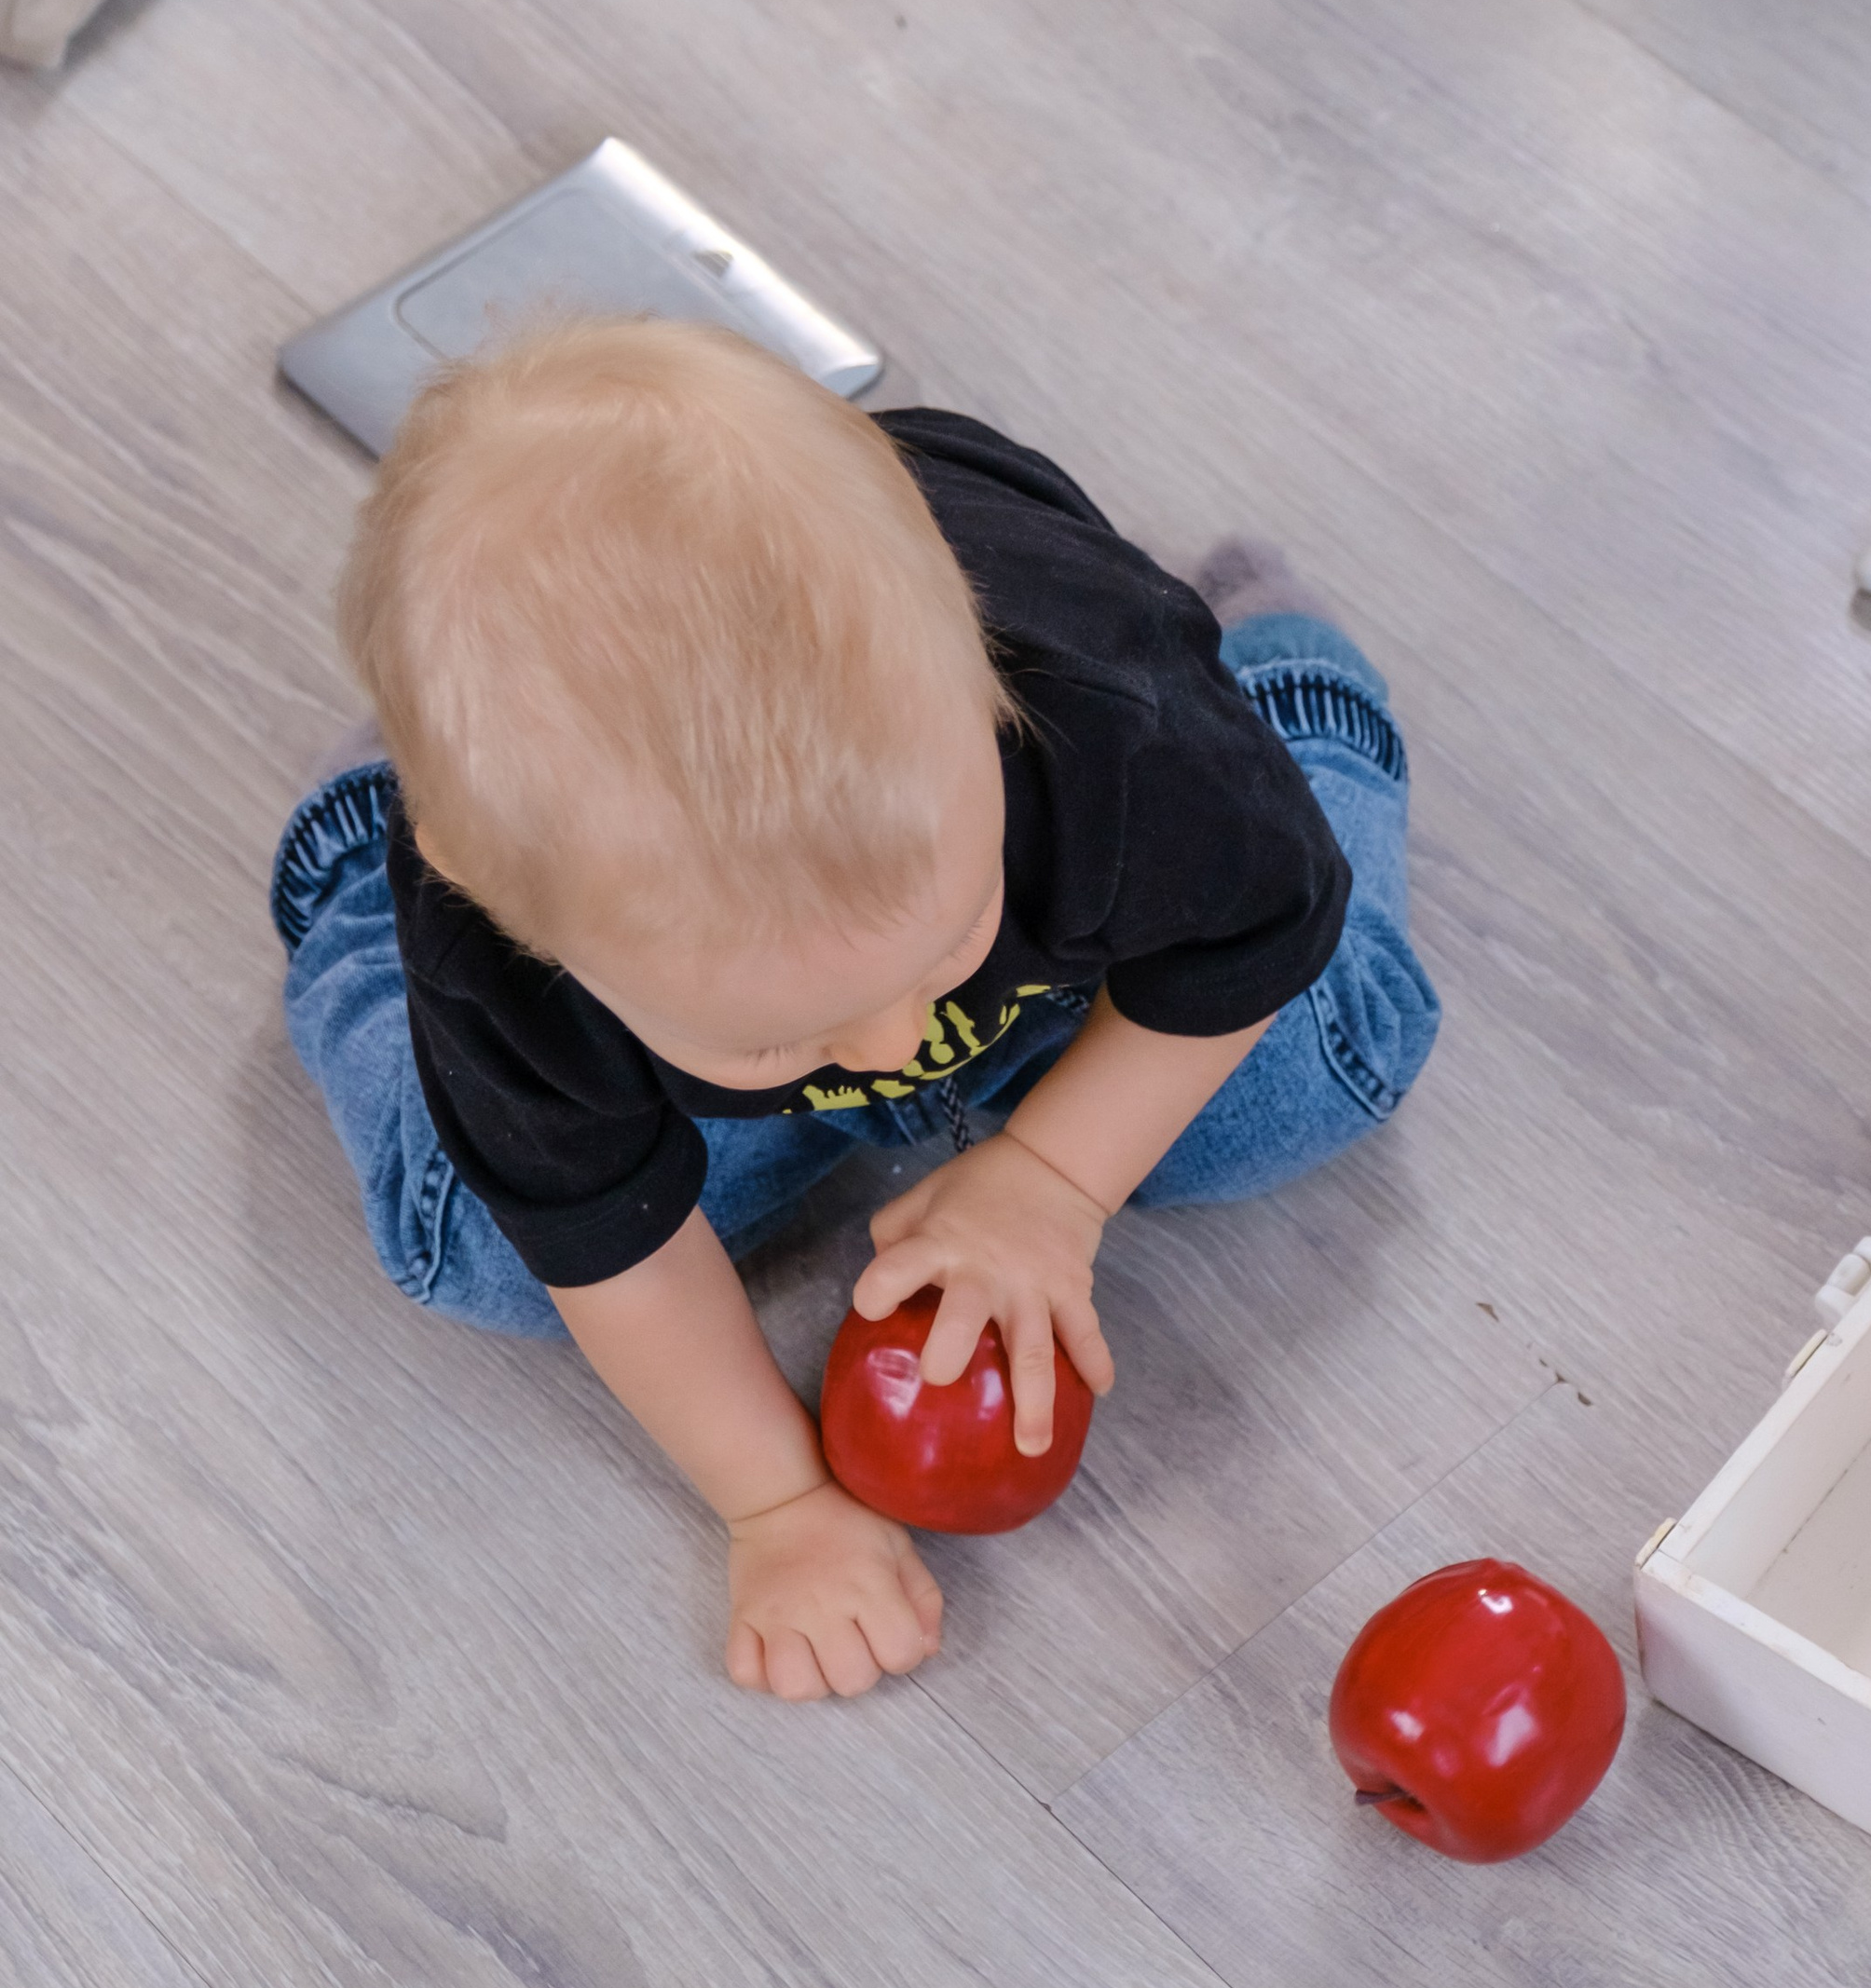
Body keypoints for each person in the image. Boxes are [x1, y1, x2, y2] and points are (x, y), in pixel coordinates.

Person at [274, 317, 1438, 1702]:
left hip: (1121, 839)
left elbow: (1262, 922)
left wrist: (1054, 1182)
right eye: (777, 1031)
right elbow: (612, 1255)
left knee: (1323, 1067)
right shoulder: (510, 955)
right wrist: (777, 1505)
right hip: (603, 936)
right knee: (479, 1245)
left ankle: (1286, 686)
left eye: (945, 943)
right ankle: (366, 844)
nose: (895, 1055)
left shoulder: (1105, 721)